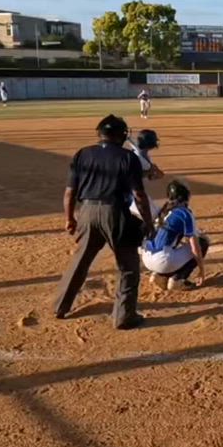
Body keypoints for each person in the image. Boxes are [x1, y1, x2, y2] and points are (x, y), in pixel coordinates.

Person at [52, 114, 156, 329]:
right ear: (121, 135)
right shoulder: (128, 157)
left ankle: (60, 306)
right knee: (128, 266)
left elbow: (69, 192)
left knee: (81, 261)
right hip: (115, 213)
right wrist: (148, 223)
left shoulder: (82, 154)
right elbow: (139, 195)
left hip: (87, 212)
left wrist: (69, 218)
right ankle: (124, 316)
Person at [142, 180, 209, 291]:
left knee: (171, 247)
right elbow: (195, 247)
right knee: (202, 242)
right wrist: (201, 270)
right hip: (162, 260)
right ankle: (178, 279)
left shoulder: (164, 209)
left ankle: (159, 275)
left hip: (147, 257)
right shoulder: (185, 213)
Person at [128, 129, 164, 224]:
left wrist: (153, 172)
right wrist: (151, 171)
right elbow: (135, 175)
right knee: (154, 216)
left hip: (134, 193)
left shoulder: (142, 155)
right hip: (131, 195)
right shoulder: (140, 158)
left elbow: (151, 176)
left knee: (155, 213)